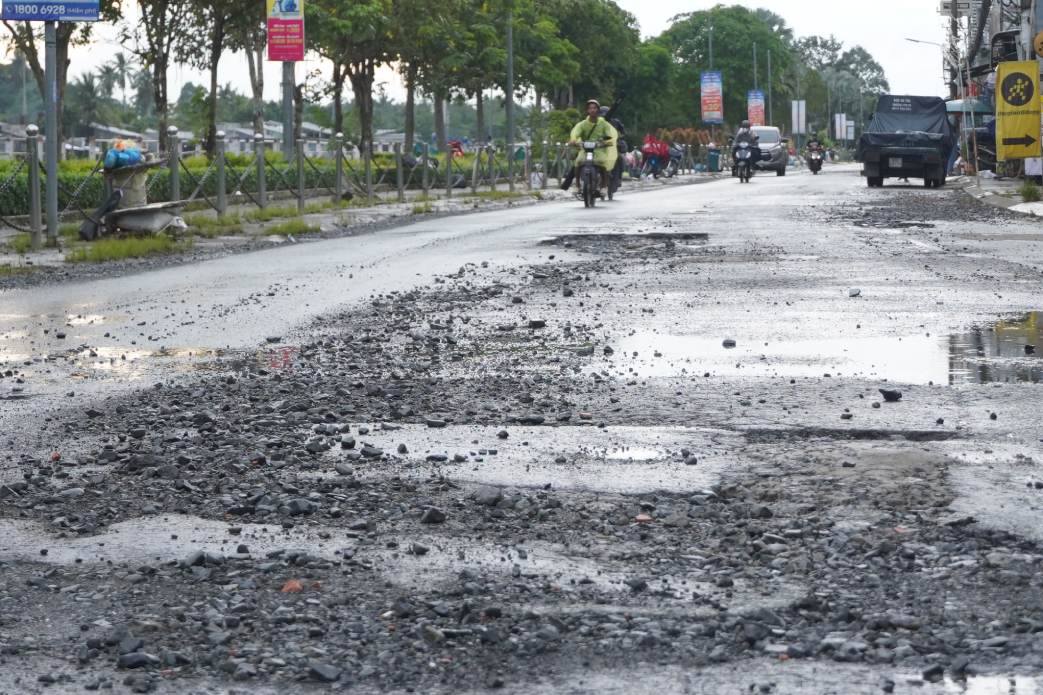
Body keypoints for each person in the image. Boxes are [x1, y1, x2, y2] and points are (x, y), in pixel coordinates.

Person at [561, 99, 618, 193]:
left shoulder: (603, 124)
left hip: (599, 150)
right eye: (590, 108)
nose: (592, 110)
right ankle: (577, 185)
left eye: (594, 108)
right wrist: (574, 141)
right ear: (587, 110)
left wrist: (606, 142)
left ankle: (604, 186)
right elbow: (575, 132)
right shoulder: (582, 124)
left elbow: (609, 136)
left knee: (602, 164)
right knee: (578, 162)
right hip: (585, 149)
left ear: (598, 110)